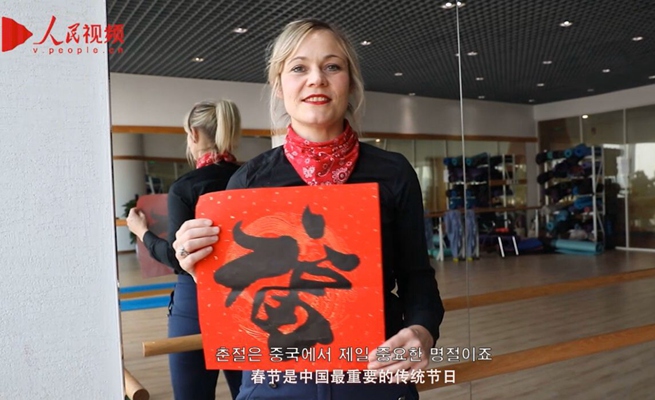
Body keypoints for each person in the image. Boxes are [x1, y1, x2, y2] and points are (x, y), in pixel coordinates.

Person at [172, 19, 444, 400]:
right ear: (278, 86)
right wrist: (198, 265)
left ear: (350, 82)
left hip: (372, 376)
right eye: (299, 68)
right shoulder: (248, 182)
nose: (316, 79)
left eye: (332, 66)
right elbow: (235, 297)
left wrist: (422, 330)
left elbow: (417, 276)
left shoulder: (393, 173)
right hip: (276, 383)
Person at [125, 99, 244, 400]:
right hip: (248, 300)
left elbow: (178, 259)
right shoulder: (253, 178)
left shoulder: (187, 187)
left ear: (193, 134)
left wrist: (141, 232)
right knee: (250, 393)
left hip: (196, 302)